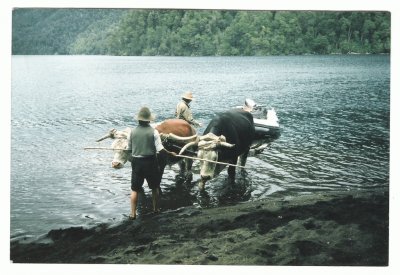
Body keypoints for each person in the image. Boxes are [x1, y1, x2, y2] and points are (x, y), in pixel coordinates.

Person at [127, 106, 176, 220]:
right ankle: (155, 209)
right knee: (154, 188)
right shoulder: (154, 132)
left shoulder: (132, 132)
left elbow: (129, 149)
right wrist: (170, 153)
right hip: (150, 162)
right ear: (149, 120)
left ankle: (133, 214)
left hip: (136, 163)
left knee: (135, 189)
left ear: (138, 120)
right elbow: (160, 149)